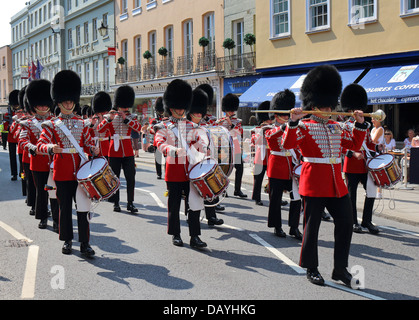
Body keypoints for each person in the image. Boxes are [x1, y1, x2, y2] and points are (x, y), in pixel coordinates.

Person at [283, 65, 367, 287]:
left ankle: (340, 268)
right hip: (314, 182)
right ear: (313, 105)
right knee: (312, 227)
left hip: (337, 184)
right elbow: (287, 144)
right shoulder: (304, 126)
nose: (328, 109)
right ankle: (312, 267)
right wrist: (292, 123)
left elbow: (354, 144)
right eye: (323, 105)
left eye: (330, 105)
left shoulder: (337, 126)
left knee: (346, 223)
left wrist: (360, 124)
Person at [37, 70, 99, 257]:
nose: (69, 104)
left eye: (71, 101)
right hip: (62, 172)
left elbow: (88, 143)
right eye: (66, 101)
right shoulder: (51, 124)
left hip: (81, 172)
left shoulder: (82, 123)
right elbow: (40, 144)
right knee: (65, 209)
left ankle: (85, 243)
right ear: (59, 102)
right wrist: (50, 147)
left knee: (83, 207)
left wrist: (94, 149)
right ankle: (67, 240)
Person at [154, 79, 208, 248]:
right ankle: (176, 234)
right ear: (171, 107)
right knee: (174, 204)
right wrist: (172, 150)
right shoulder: (163, 126)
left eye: (183, 107)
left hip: (191, 171)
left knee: (194, 204)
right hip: (174, 171)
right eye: (178, 107)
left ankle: (195, 236)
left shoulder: (193, 126)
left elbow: (202, 143)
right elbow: (159, 142)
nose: (181, 110)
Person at [19, 79, 58, 230]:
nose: (43, 107)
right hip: (37, 162)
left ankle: (56, 220)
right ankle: (42, 218)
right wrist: (33, 148)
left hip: (53, 162)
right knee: (41, 193)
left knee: (54, 193)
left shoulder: (55, 122)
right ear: (34, 106)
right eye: (40, 105)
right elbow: (22, 141)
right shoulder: (27, 124)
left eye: (45, 105)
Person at [341, 83, 380, 235]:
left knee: (371, 191)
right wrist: (352, 153)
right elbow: (342, 145)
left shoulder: (367, 125)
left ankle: (367, 220)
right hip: (351, 164)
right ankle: (353, 222)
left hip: (366, 163)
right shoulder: (345, 126)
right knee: (352, 195)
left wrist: (377, 148)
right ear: (350, 110)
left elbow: (369, 142)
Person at [265, 90, 303, 240]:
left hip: (291, 167)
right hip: (277, 167)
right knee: (275, 199)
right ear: (276, 116)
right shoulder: (270, 128)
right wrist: (285, 127)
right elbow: (270, 135)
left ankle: (294, 227)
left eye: (288, 115)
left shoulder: (292, 127)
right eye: (284, 115)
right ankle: (277, 226)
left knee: (296, 198)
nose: (287, 118)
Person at [97, 85, 141, 213]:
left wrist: (126, 119)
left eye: (126, 107)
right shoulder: (110, 117)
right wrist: (109, 119)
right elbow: (99, 129)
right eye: (123, 106)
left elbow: (137, 128)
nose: (125, 108)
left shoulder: (131, 117)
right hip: (114, 152)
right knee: (115, 178)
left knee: (130, 178)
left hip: (127, 151)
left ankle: (130, 203)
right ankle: (116, 203)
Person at [187, 88, 224, 227]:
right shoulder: (186, 126)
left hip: (204, 159)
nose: (199, 114)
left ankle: (211, 216)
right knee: (191, 193)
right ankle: (190, 215)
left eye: (200, 112)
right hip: (191, 161)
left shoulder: (205, 123)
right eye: (196, 112)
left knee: (210, 186)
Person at [218, 94, 246, 198]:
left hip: (236, 148)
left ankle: (237, 190)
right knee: (224, 170)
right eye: (229, 110)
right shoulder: (220, 121)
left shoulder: (237, 121)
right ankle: (223, 190)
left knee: (240, 168)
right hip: (225, 148)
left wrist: (230, 124)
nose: (231, 112)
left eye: (232, 110)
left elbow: (238, 132)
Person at [251, 101, 272, 206]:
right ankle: (256, 197)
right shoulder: (258, 129)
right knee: (258, 179)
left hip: (270, 157)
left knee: (272, 180)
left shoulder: (273, 128)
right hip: (260, 158)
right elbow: (255, 141)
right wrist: (262, 131)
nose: (270, 120)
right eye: (268, 119)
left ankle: (274, 197)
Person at [89, 91, 112, 159]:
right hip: (94, 147)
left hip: (105, 148)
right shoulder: (91, 120)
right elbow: (87, 133)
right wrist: (92, 124)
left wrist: (103, 121)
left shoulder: (107, 119)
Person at [6, 90, 20, 180]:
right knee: (12, 158)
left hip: (19, 138)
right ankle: (14, 174)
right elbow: (6, 127)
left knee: (21, 157)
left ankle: (22, 174)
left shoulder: (21, 114)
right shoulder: (8, 114)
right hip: (11, 138)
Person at [149, 97, 165, 179]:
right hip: (157, 141)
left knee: (168, 159)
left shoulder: (166, 119)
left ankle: (167, 173)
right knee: (158, 159)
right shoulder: (154, 120)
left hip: (166, 141)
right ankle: (159, 173)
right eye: (160, 111)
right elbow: (151, 130)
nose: (161, 112)